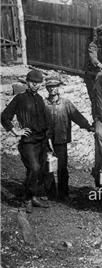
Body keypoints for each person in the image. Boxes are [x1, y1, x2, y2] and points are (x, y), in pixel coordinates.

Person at [1, 70, 50, 213]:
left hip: (41, 140)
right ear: (27, 82)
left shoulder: (40, 99)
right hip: (28, 141)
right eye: (33, 82)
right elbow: (4, 116)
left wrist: (48, 140)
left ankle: (34, 197)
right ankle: (27, 199)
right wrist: (15, 131)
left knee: (39, 170)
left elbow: (45, 121)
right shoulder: (20, 98)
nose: (35, 85)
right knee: (34, 168)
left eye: (38, 83)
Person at [44, 78, 93, 199]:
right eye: (50, 87)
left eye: (54, 86)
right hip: (46, 140)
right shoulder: (43, 104)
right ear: (47, 89)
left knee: (62, 167)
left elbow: (76, 116)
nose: (52, 89)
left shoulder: (66, 103)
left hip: (61, 139)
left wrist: (87, 126)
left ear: (58, 88)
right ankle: (50, 193)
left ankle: (63, 193)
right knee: (48, 166)